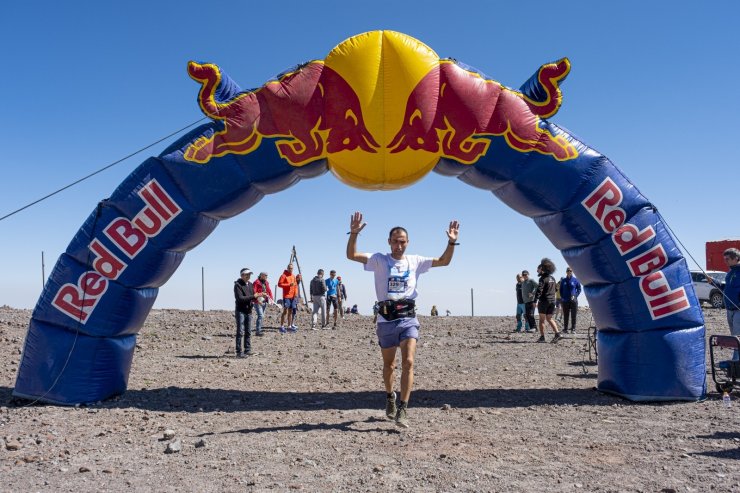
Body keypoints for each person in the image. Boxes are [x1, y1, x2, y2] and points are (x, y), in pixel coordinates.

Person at [346, 211, 459, 429]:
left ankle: (403, 409)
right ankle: (390, 397)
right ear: (389, 242)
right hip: (386, 320)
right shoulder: (379, 260)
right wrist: (353, 234)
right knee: (390, 365)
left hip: (408, 318)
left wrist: (451, 242)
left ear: (408, 242)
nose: (399, 245)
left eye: (403, 242)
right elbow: (351, 255)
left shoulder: (415, 261)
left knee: (408, 362)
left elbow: (444, 261)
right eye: (395, 242)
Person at [535, 259, 563, 343]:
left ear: (542, 269)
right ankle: (557, 334)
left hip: (544, 301)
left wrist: (534, 300)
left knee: (542, 320)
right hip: (552, 301)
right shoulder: (552, 278)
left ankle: (542, 337)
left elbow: (539, 290)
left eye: (538, 269)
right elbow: (556, 289)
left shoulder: (542, 279)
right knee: (550, 318)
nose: (537, 270)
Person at [723, 248, 740, 359]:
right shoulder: (729, 273)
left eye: (728, 259)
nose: (725, 261)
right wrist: (713, 282)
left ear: (736, 258)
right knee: (734, 336)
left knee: (736, 336)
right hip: (729, 309)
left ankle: (736, 361)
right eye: (724, 259)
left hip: (738, 309)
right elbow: (725, 288)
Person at [233, 268, 255, 357]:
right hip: (240, 311)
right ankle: (239, 352)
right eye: (247, 274)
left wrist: (259, 298)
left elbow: (252, 296)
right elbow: (240, 298)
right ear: (242, 275)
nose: (249, 276)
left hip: (248, 311)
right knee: (240, 332)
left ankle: (247, 350)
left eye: (249, 274)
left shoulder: (250, 284)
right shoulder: (237, 285)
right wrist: (254, 296)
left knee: (248, 331)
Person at [559, 266, 582, 333]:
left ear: (572, 272)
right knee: (566, 315)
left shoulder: (575, 280)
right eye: (568, 271)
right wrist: (563, 297)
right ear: (566, 272)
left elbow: (579, 289)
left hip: (573, 301)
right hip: (565, 301)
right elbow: (560, 290)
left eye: (571, 271)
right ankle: (565, 329)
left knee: (573, 315)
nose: (569, 272)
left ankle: (573, 329)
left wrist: (575, 296)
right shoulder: (563, 281)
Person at [278, 264, 299, 333]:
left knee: (291, 311)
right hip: (286, 296)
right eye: (290, 268)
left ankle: (289, 326)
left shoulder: (293, 276)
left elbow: (295, 286)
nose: (291, 269)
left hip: (293, 297)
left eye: (292, 268)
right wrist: (288, 285)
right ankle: (281, 326)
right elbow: (279, 284)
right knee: (285, 311)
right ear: (287, 268)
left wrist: (296, 294)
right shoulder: (283, 275)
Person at [253, 271, 274, 336]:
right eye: (265, 276)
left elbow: (269, 291)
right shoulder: (256, 282)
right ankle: (258, 331)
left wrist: (271, 299)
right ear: (261, 276)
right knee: (260, 315)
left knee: (262, 316)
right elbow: (254, 292)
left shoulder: (266, 283)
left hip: (264, 301)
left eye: (267, 276)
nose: (266, 277)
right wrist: (258, 298)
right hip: (258, 301)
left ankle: (259, 329)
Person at [521, 270, 538, 335]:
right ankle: (532, 328)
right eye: (523, 275)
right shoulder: (523, 282)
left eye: (526, 274)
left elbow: (538, 286)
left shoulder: (531, 280)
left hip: (531, 300)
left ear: (528, 274)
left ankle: (534, 327)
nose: (525, 276)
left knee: (531, 315)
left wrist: (533, 293)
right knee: (528, 315)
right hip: (526, 301)